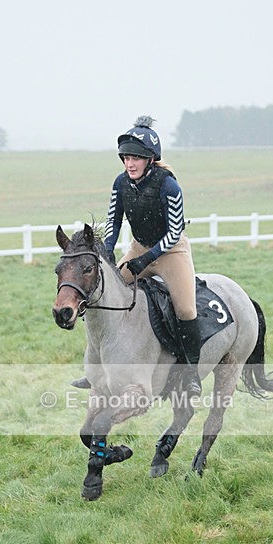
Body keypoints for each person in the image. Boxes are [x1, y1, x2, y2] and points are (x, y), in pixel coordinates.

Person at [104, 115, 202, 397]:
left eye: (135, 158)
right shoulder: (120, 183)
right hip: (138, 247)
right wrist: (108, 251)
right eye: (126, 158)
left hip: (172, 250)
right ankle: (101, 366)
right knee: (107, 295)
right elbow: (113, 221)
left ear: (150, 159)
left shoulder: (169, 186)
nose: (129, 164)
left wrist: (146, 260)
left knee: (186, 310)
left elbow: (174, 232)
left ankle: (191, 373)